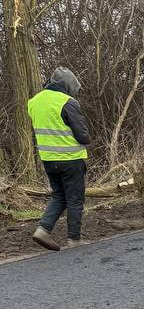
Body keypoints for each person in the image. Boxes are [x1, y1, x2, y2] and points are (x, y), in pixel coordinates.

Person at [28, 67, 90, 251]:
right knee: (75, 199)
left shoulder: (34, 101)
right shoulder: (67, 102)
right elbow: (83, 136)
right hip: (71, 158)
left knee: (59, 195)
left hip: (48, 159)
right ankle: (74, 239)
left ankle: (43, 230)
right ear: (67, 85)